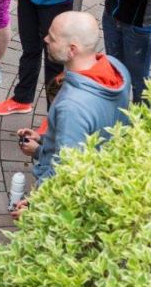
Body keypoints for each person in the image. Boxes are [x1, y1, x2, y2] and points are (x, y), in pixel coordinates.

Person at [14, 11, 131, 194]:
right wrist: (43, 142)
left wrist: (33, 205)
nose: (45, 39)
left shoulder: (72, 107)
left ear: (72, 50)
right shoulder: (116, 67)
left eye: (52, 38)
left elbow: (64, 170)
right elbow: (85, 136)